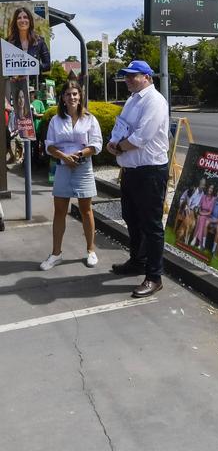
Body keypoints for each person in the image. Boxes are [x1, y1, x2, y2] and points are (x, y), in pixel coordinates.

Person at [107, 60, 169, 298]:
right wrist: (114, 143)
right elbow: (121, 127)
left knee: (152, 226)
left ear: (148, 77)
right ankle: (138, 261)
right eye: (126, 76)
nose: (128, 79)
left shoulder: (154, 101)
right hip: (132, 171)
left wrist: (118, 148)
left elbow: (142, 136)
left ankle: (154, 276)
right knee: (131, 218)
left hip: (150, 171)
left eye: (134, 76)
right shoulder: (133, 100)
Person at [40, 80, 102, 271]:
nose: (72, 97)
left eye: (75, 93)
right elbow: (49, 144)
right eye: (68, 94)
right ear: (63, 98)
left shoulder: (90, 119)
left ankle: (91, 250)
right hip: (62, 167)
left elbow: (97, 144)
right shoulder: (55, 121)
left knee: (86, 210)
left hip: (83, 168)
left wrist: (79, 154)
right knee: (59, 211)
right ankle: (56, 253)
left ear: (80, 96)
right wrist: (64, 157)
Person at [7, 7, 51, 72]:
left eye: (25, 17)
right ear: (15, 22)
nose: (22, 20)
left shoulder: (39, 41)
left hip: (34, 81)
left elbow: (47, 65)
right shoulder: (8, 42)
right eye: (19, 18)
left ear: (30, 20)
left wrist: (31, 68)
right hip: (14, 81)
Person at [190, 184, 216, 249]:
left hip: (207, 216)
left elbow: (210, 212)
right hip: (201, 214)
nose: (210, 189)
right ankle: (199, 243)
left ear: (213, 191)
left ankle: (195, 238)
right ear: (208, 189)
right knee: (200, 218)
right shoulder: (203, 196)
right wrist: (199, 210)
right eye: (210, 188)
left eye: (212, 188)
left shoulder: (213, 199)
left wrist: (202, 214)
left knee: (202, 218)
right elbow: (199, 205)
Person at [206, 189, 218, 255]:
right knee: (206, 223)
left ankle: (213, 250)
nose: (217, 193)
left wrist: (214, 221)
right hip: (211, 218)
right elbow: (209, 210)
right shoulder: (213, 200)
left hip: (217, 220)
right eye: (217, 192)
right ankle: (202, 244)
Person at [30, 87, 46, 163]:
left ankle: (36, 162)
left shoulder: (39, 102)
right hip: (27, 128)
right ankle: (29, 161)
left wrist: (36, 115)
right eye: (29, 93)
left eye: (31, 93)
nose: (30, 95)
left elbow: (44, 114)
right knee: (29, 146)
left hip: (37, 127)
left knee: (36, 145)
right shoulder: (25, 102)